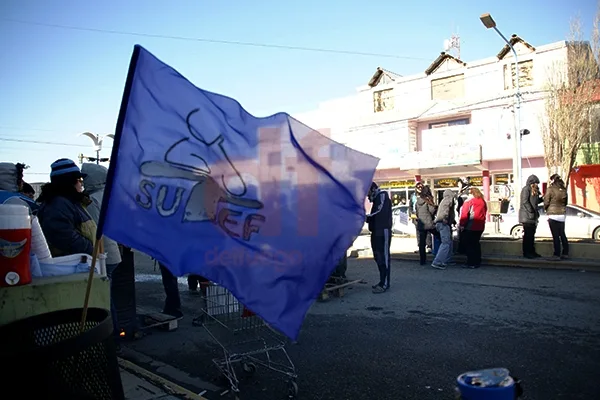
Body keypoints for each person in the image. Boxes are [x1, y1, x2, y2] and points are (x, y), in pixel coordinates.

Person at [81, 163, 123, 336]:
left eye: (85, 178)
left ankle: (112, 337)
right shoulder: (110, 194)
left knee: (106, 298)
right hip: (112, 251)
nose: (83, 182)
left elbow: (94, 229)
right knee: (110, 295)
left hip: (103, 254)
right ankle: (116, 334)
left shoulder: (93, 200)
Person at [37, 159, 95, 257]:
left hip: (80, 262)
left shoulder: (72, 202)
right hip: (71, 265)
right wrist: (89, 248)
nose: (81, 183)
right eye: (79, 180)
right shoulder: (58, 204)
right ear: (69, 182)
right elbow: (63, 235)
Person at [366, 182, 392, 294]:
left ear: (372, 189)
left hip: (383, 230)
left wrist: (367, 217)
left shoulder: (382, 195)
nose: (367, 197)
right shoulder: (376, 199)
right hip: (376, 231)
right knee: (378, 256)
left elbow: (380, 211)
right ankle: (382, 281)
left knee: (384, 257)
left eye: (367, 193)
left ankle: (385, 283)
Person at [459, 187, 488, 269]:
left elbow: (464, 214)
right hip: (480, 226)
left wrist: (462, 225)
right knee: (476, 244)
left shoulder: (469, 201)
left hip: (470, 226)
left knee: (469, 245)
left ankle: (471, 262)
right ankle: (477, 261)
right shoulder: (483, 201)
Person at [543, 174, 569, 260]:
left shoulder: (550, 189)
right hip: (562, 214)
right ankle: (565, 253)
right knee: (562, 234)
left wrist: (545, 208)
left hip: (553, 215)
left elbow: (546, 201)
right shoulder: (564, 190)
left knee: (555, 235)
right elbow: (566, 203)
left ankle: (556, 254)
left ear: (552, 180)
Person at [519, 175, 543, 259]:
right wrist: (531, 211)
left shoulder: (534, 191)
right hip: (527, 216)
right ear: (532, 183)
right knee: (528, 235)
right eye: (536, 183)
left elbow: (535, 202)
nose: (537, 185)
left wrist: (542, 199)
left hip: (532, 216)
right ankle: (527, 252)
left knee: (532, 235)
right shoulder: (526, 189)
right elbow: (525, 201)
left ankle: (532, 251)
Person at [431, 189, 456, 269]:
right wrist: (445, 218)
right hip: (443, 223)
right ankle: (437, 262)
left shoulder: (443, 200)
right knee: (445, 243)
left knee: (448, 242)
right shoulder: (448, 200)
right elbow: (445, 211)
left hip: (441, 223)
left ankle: (446, 259)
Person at [415, 185, 438, 266]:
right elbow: (431, 211)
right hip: (428, 223)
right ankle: (440, 255)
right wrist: (435, 208)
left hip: (421, 224)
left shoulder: (418, 201)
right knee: (440, 236)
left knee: (422, 243)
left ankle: (422, 260)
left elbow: (417, 213)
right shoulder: (428, 200)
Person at [411, 182, 432, 254]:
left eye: (421, 187)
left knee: (427, 232)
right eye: (418, 187)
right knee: (419, 233)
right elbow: (411, 206)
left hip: (422, 216)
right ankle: (420, 246)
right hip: (416, 216)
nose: (419, 189)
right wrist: (411, 214)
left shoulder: (424, 196)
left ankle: (428, 246)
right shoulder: (413, 196)